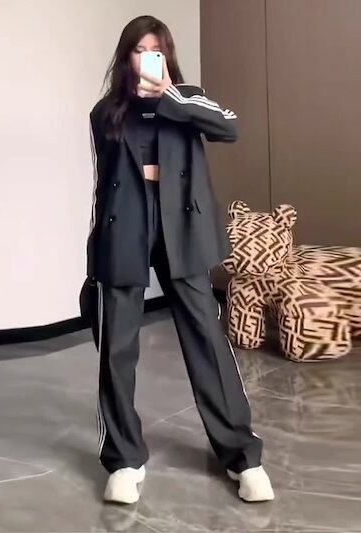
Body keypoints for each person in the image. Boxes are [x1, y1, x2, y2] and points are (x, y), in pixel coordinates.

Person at [87, 15, 274, 504]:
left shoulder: (189, 99)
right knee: (116, 350)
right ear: (126, 57)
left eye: (157, 50)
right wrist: (94, 254)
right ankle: (124, 460)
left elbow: (229, 128)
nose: (148, 58)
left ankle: (242, 456)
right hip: (125, 228)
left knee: (208, 339)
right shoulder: (105, 112)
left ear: (167, 56)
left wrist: (171, 94)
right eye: (140, 50)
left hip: (183, 227)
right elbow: (101, 186)